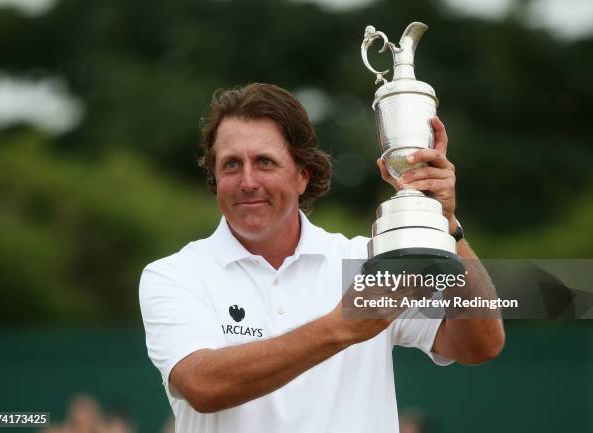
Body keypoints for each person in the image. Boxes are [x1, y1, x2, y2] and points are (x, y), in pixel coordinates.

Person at [139, 83, 505, 433]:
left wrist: (448, 226)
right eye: (232, 165)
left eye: (265, 162)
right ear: (215, 178)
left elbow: (479, 343)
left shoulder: (366, 260)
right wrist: (342, 326)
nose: (247, 181)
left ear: (302, 175)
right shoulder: (174, 274)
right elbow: (202, 385)